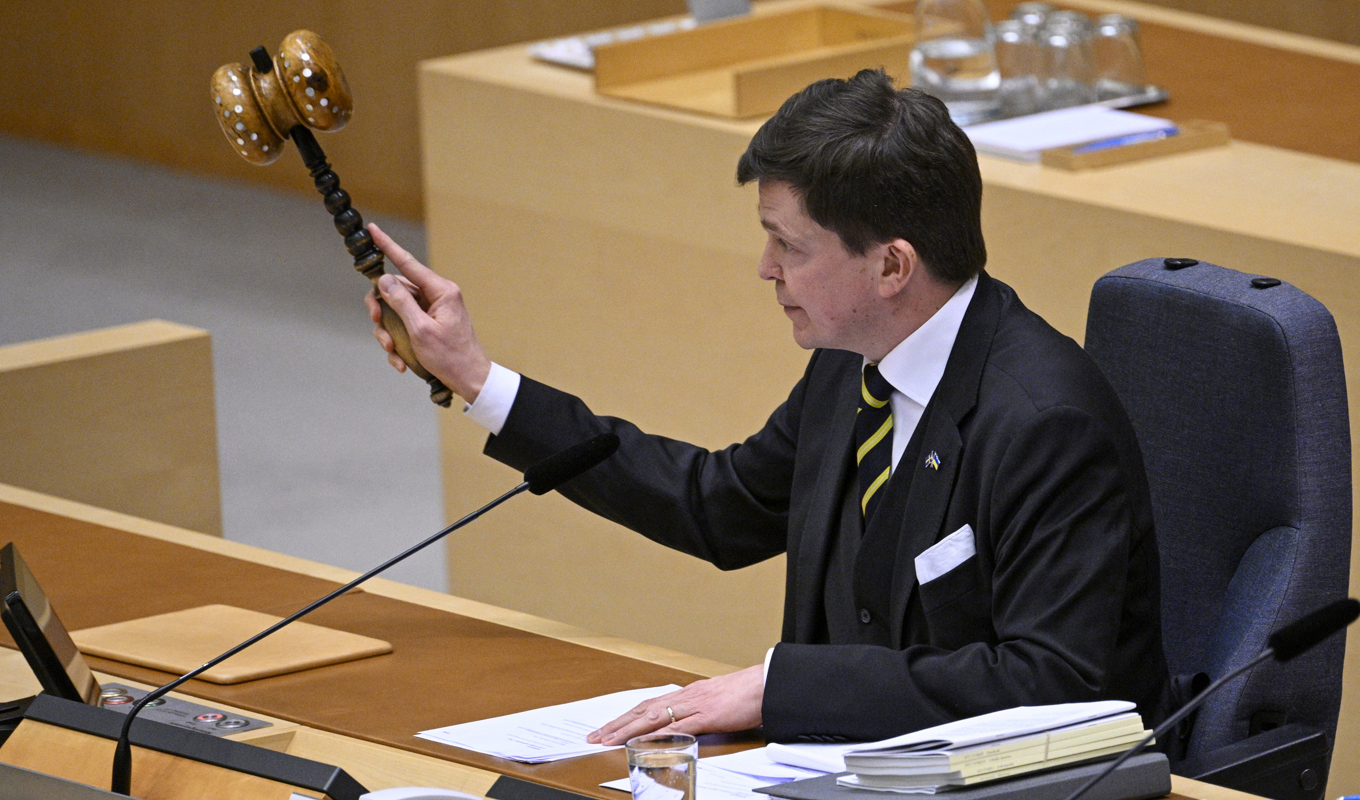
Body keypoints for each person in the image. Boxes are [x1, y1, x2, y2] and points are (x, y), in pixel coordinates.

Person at [365, 69, 1170, 745]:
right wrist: (478, 380)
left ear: (892, 265)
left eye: (790, 245)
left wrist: (778, 689)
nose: (764, 268)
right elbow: (716, 506)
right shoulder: (853, 365)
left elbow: (1054, 683)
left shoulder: (1044, 421)